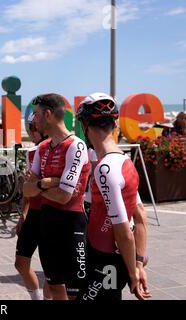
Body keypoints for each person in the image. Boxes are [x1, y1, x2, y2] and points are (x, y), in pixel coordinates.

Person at [76, 92, 151, 300]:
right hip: (111, 257)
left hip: (105, 259)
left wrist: (133, 273)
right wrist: (137, 264)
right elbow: (141, 217)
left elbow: (123, 232)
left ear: (86, 126)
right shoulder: (125, 161)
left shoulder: (105, 168)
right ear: (113, 125)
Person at [23, 93, 90, 300]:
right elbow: (26, 190)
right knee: (55, 288)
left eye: (36, 114)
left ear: (49, 115)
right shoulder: (42, 147)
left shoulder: (75, 146)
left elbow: (64, 196)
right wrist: (49, 181)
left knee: (75, 294)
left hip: (71, 226)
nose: (33, 120)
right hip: (47, 223)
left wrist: (40, 184)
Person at [15, 112, 54, 300]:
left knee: (50, 271)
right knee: (21, 263)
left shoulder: (57, 150)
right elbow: (27, 188)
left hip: (50, 214)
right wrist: (22, 215)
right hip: (33, 214)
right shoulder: (33, 152)